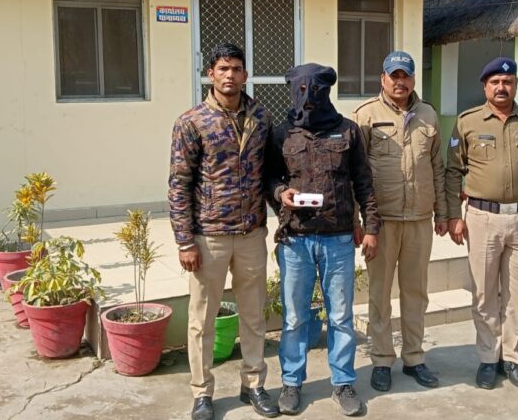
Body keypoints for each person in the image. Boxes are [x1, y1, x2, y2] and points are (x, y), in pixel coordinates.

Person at [168, 43, 279, 420]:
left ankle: (254, 385)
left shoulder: (261, 117)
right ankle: (202, 392)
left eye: (236, 69)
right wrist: (185, 240)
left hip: (251, 234)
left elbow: (269, 173)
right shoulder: (192, 122)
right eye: (222, 68)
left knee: (254, 315)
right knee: (202, 319)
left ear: (245, 74)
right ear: (210, 74)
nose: (229, 75)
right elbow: (179, 184)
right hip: (208, 236)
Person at [265, 63, 381, 417]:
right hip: (295, 240)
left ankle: (343, 382)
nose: (309, 97)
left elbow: (364, 181)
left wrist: (371, 227)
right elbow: (269, 178)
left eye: (315, 90)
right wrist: (281, 193)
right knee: (295, 318)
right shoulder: (281, 133)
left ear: (326, 91)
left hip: (338, 239)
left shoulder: (347, 130)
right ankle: (291, 382)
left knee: (341, 316)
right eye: (301, 90)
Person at [446, 57, 518, 391]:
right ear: (485, 87)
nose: (501, 87)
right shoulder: (467, 122)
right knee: (483, 293)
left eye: (507, 82)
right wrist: (454, 216)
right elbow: (453, 172)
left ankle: (511, 358)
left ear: (516, 85)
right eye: (494, 82)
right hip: (482, 218)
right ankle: (487, 358)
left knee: (516, 294)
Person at [352, 51, 447, 392]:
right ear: (383, 79)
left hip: (419, 220)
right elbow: (355, 172)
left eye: (405, 75)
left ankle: (414, 358)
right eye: (394, 76)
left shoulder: (428, 115)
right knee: (379, 295)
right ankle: (381, 360)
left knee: (416, 293)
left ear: (413, 79)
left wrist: (443, 213)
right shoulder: (365, 116)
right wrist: (358, 221)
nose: (400, 82)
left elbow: (437, 167)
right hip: (382, 223)